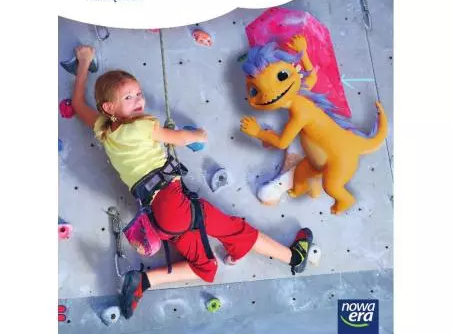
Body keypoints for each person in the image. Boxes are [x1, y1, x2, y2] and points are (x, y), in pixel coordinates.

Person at [71, 45, 314, 319]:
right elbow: (180, 139)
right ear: (109, 107)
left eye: (138, 93)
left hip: (161, 216)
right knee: (236, 230)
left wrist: (83, 63)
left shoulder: (104, 130)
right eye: (129, 97)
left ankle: (143, 281)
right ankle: (294, 258)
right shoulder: (142, 126)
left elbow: (78, 104)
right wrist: (198, 135)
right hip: (172, 204)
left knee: (206, 268)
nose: (139, 100)